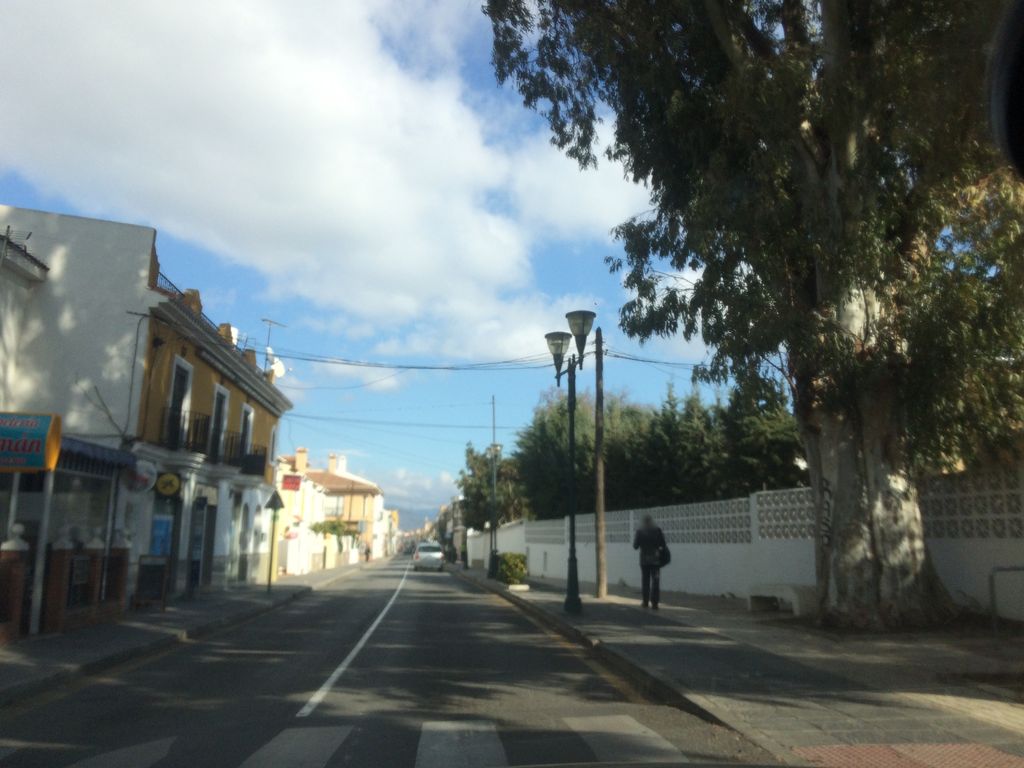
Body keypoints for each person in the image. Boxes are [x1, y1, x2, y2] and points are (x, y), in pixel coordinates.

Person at [633, 515, 666, 609]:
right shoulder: (657, 530)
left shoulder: (640, 531)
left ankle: (645, 602)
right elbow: (663, 544)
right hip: (655, 560)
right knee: (656, 581)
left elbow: (635, 546)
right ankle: (655, 603)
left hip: (644, 560)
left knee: (645, 581)